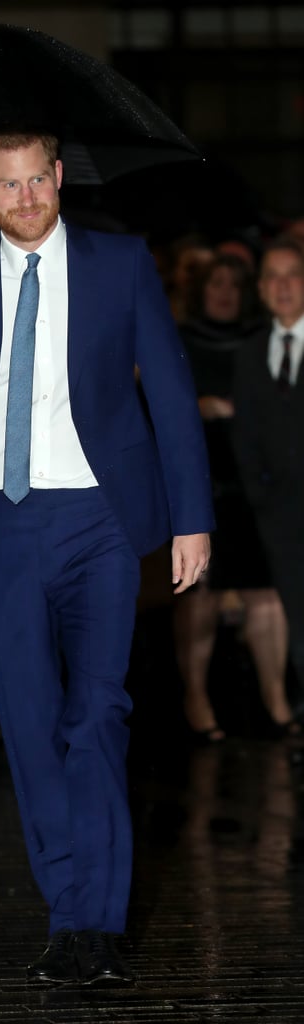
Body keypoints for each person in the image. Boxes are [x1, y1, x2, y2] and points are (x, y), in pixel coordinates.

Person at [0, 132, 214, 985]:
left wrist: (191, 519)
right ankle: (66, 906)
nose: (26, 195)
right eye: (7, 184)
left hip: (103, 520)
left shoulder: (119, 262)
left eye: (37, 178)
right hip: (4, 525)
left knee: (98, 713)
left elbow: (176, 394)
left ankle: (96, 924)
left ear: (57, 178)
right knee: (30, 721)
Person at [174, 253, 294, 741]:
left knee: (266, 591)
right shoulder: (180, 338)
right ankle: (196, 696)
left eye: (233, 284)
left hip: (256, 481)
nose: (224, 292)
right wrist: (197, 407)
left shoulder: (264, 341)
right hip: (203, 478)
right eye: (215, 283)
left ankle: (277, 699)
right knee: (202, 590)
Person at [232, 235, 304, 722]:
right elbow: (245, 431)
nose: (282, 286)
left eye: (292, 275)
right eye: (272, 277)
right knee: (297, 614)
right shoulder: (252, 351)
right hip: (280, 512)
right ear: (260, 289)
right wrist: (260, 496)